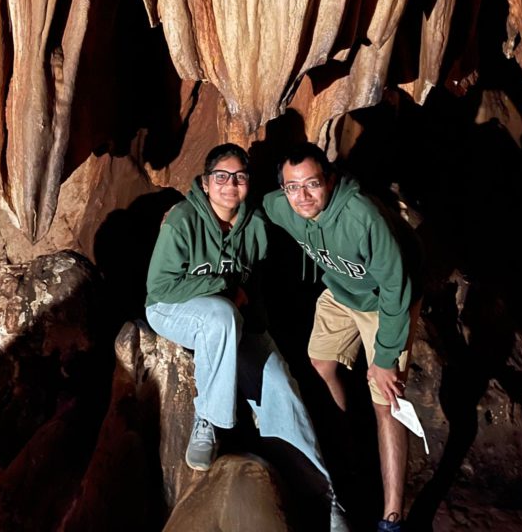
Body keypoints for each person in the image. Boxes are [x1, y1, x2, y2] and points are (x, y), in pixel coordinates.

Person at [146, 143, 349, 532]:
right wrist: (223, 285)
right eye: (220, 177)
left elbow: (254, 281)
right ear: (206, 184)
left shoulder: (254, 226)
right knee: (219, 315)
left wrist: (256, 329)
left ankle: (325, 495)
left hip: (233, 322)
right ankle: (209, 420)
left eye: (239, 177)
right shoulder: (182, 221)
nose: (229, 184)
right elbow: (160, 287)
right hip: (172, 310)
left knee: (281, 384)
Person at [264, 142, 422, 532]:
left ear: (330, 181)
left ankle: (392, 516)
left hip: (387, 297)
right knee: (320, 362)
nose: (302, 196)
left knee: (387, 399)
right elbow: (245, 203)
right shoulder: (282, 206)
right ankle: (347, 457)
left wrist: (384, 359)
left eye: (312, 185)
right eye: (292, 187)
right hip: (341, 288)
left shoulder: (361, 216)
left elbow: (395, 288)